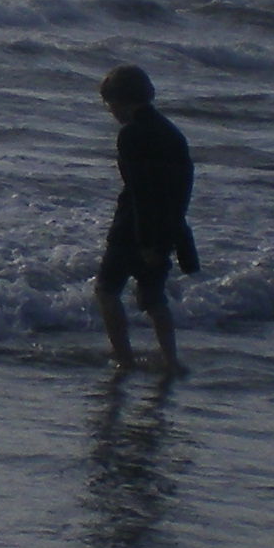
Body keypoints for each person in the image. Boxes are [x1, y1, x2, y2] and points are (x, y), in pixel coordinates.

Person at [94, 64, 195, 371]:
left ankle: (123, 358)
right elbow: (182, 186)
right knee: (153, 298)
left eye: (110, 103)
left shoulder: (132, 135)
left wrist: (144, 240)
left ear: (122, 100)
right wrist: (170, 236)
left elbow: (139, 190)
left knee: (106, 290)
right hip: (166, 226)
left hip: (133, 227)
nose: (111, 111)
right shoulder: (170, 132)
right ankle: (170, 358)